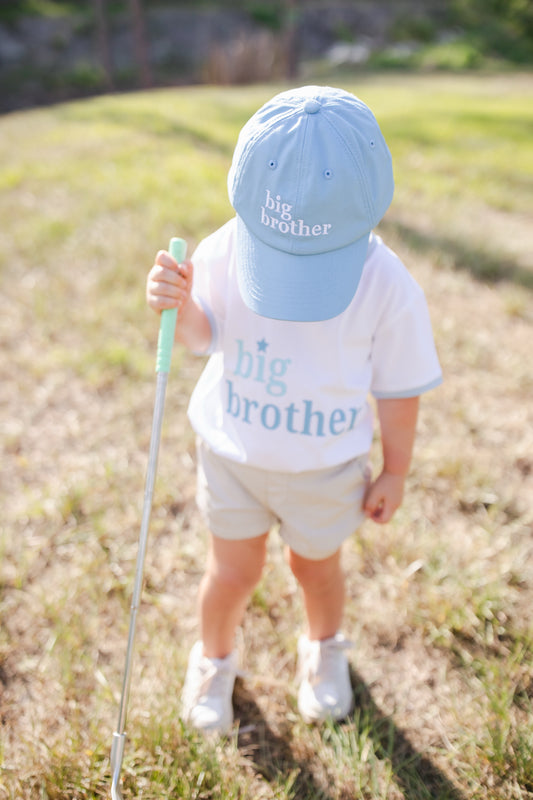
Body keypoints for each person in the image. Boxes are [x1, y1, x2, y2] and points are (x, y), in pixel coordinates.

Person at [146, 85, 442, 735]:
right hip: (233, 456)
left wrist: (395, 470)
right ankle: (213, 660)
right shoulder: (227, 246)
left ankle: (324, 648)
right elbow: (203, 336)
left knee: (316, 568)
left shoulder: (386, 285)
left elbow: (398, 389)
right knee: (231, 571)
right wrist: (180, 306)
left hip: (325, 467)